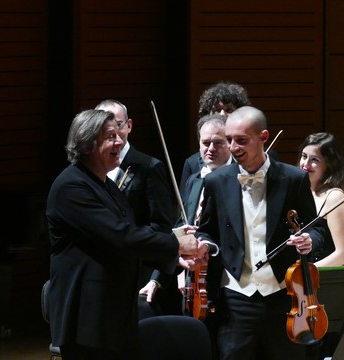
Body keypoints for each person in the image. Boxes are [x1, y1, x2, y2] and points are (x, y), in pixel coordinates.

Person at [45, 109, 203, 359]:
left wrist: (174, 256)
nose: (120, 141)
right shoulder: (72, 187)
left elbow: (129, 240)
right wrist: (175, 244)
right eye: (110, 137)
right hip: (87, 318)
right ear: (87, 144)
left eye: (119, 134)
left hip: (114, 314)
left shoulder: (105, 185)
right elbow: (121, 236)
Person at [195, 106, 324, 360]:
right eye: (229, 139)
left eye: (241, 140)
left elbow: (319, 229)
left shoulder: (294, 178)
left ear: (263, 137)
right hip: (235, 299)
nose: (233, 147)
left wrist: (310, 240)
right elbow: (206, 232)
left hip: (282, 298)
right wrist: (206, 246)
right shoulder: (216, 181)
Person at [140, 113, 231, 315]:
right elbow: (180, 226)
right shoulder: (194, 180)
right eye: (206, 142)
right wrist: (158, 278)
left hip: (226, 282)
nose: (211, 149)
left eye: (218, 143)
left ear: (230, 143)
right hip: (193, 281)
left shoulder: (241, 181)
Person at [94, 99, 178, 312]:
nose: (113, 132)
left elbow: (162, 226)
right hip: (101, 272)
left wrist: (126, 241)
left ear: (129, 125)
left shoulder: (149, 167)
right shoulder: (90, 170)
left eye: (118, 125)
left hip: (138, 273)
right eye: (105, 127)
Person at [180, 82, 251, 188]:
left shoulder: (255, 155)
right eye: (216, 110)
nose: (222, 114)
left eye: (229, 110)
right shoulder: (192, 163)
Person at [298, 132, 344, 267]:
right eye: (304, 156)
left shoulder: (334, 198)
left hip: (322, 280)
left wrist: (305, 273)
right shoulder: (299, 193)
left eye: (314, 160)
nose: (306, 164)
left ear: (329, 165)